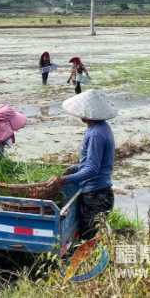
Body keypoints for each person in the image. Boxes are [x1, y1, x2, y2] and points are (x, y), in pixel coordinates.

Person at [46, 90, 118, 241]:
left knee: (89, 241)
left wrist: (63, 181)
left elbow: (92, 169)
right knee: (93, 237)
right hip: (100, 192)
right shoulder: (101, 128)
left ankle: (94, 264)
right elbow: (89, 164)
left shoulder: (95, 134)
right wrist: (70, 170)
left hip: (96, 195)